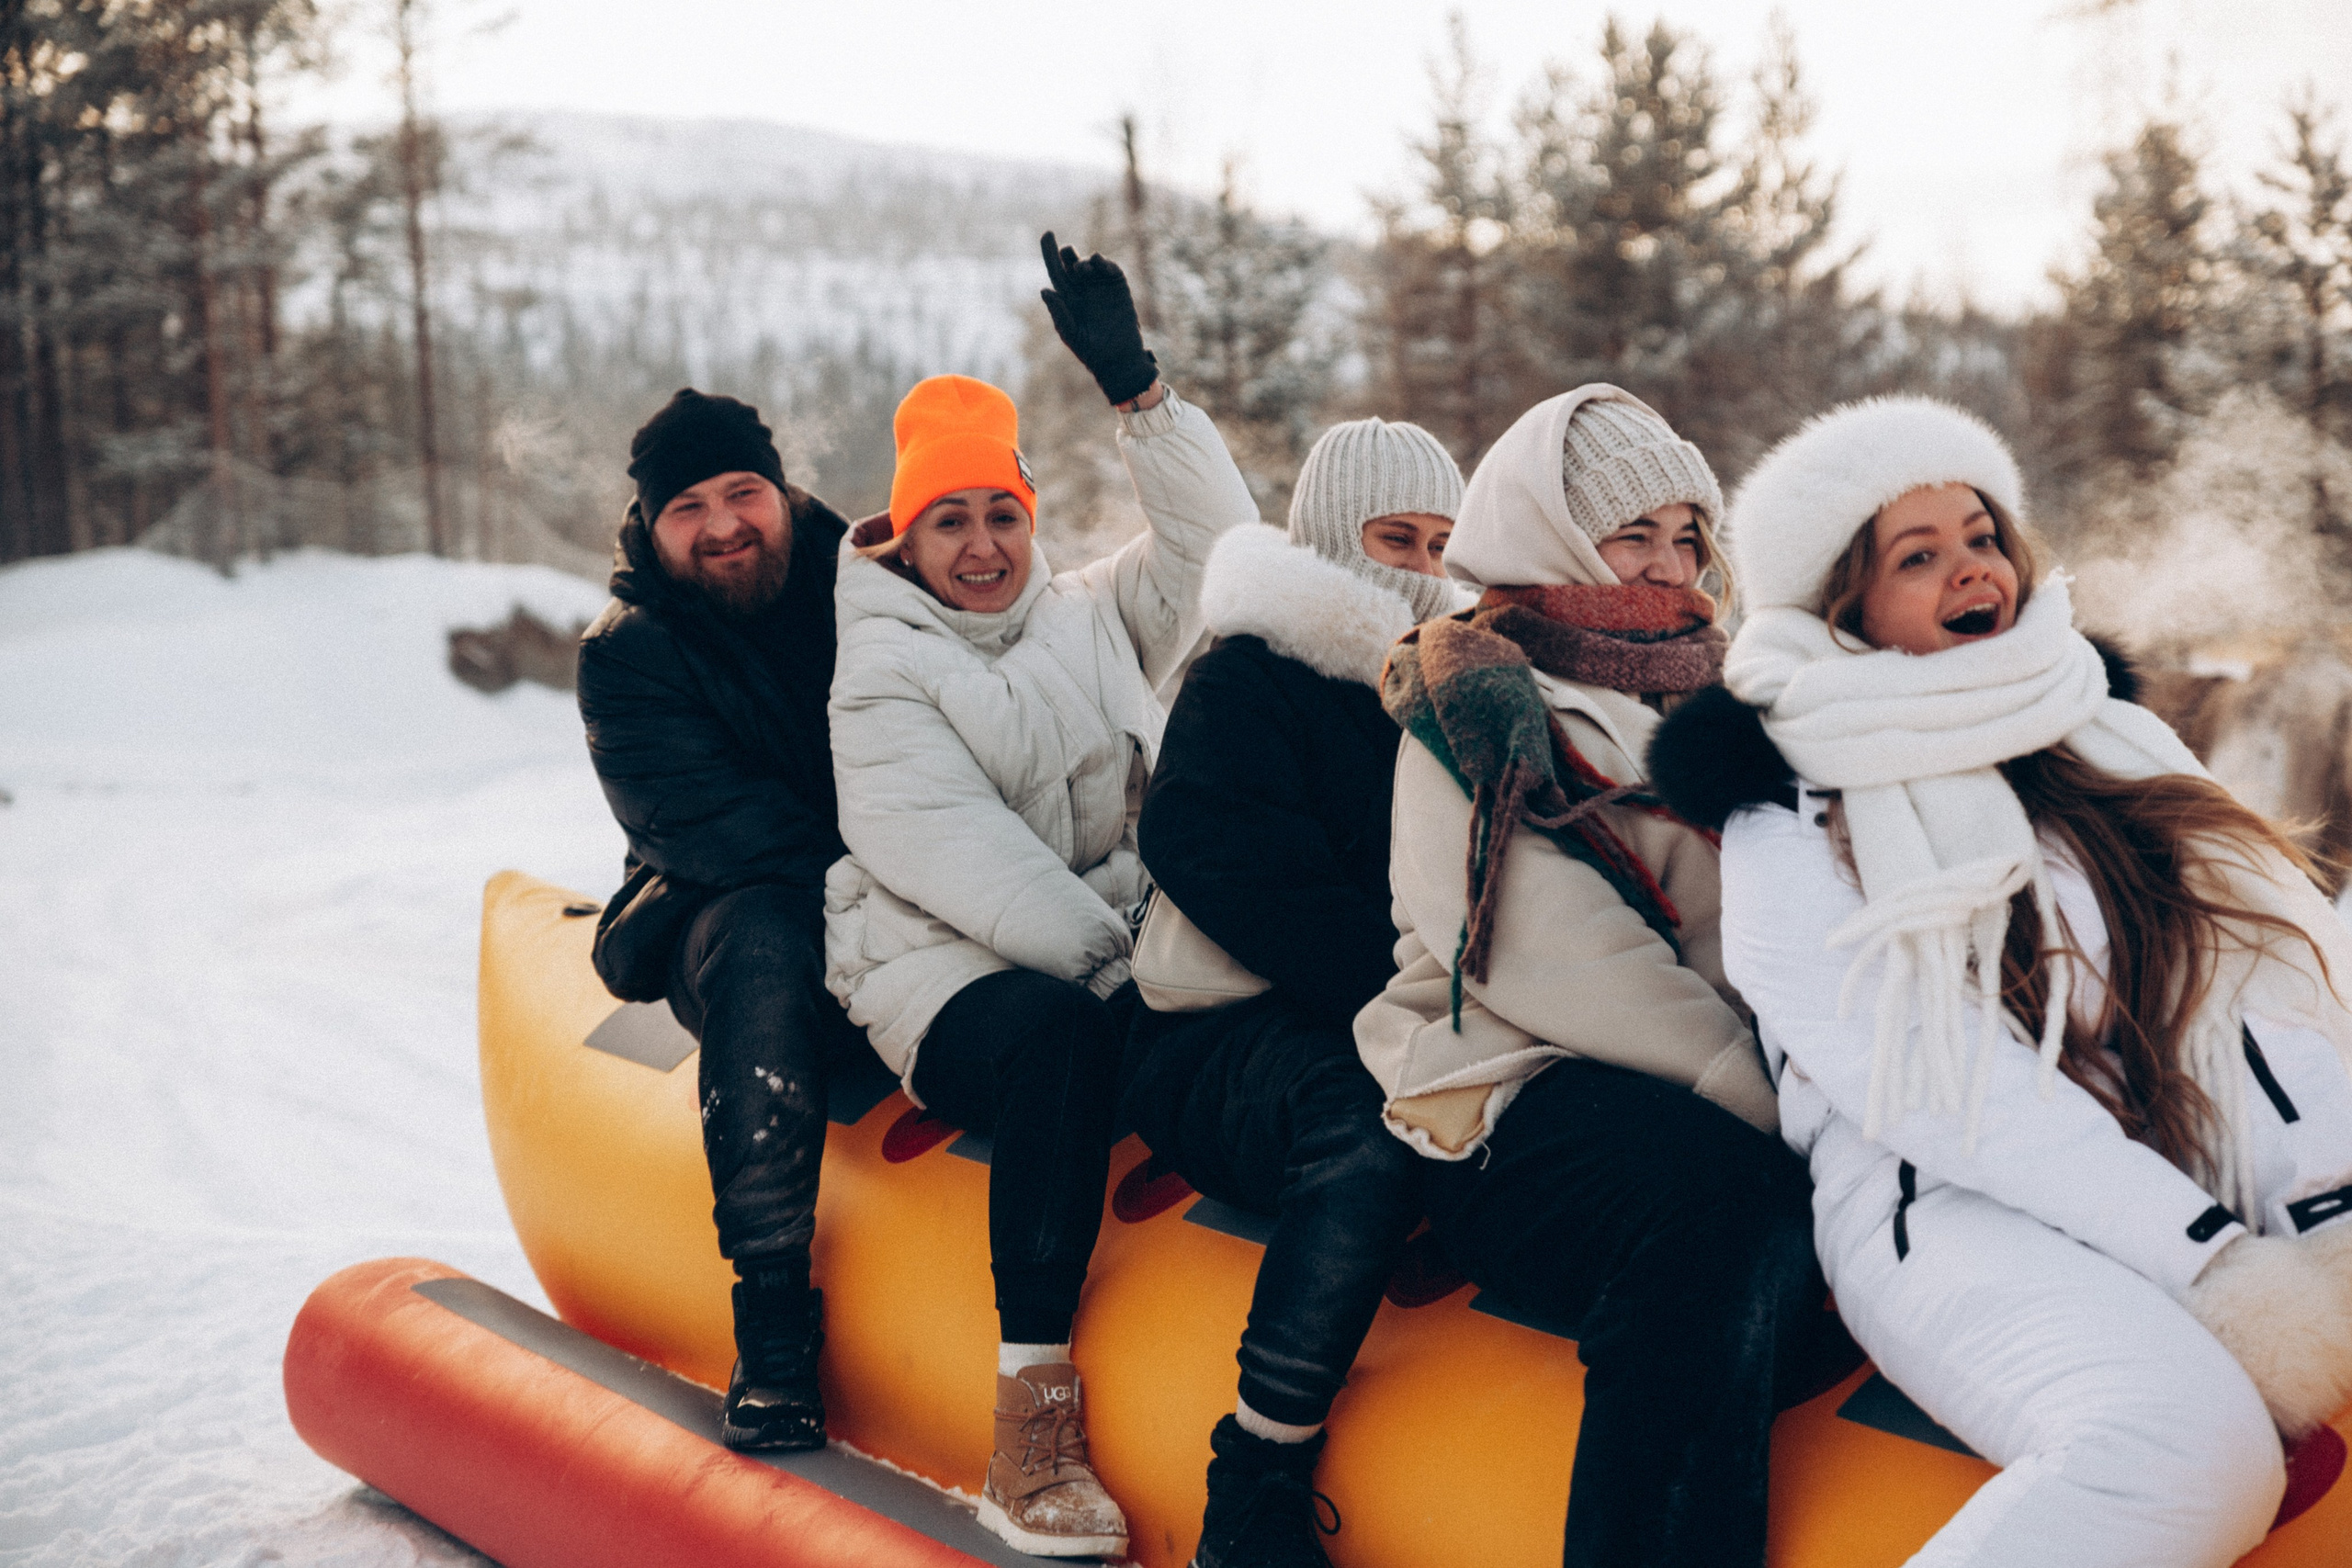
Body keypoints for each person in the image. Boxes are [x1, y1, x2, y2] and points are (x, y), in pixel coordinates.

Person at [1653, 394, 2352, 1568]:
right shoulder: (1788, 815)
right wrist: (2212, 1258)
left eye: (1981, 536)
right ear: (1846, 608)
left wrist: (2326, 1206)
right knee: (2184, 1448)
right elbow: (1946, 1094)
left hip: (2177, 1141)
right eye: (1916, 557)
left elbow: (2258, 989)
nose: (1970, 570)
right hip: (1949, 1205)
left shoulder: (2097, 731)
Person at [1353, 386, 1848, 1568]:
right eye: (1634, 534)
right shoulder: (1471, 696)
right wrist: (1778, 1107)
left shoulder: (1710, 686)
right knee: (1721, 1206)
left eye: (1688, 535)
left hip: (1731, 1065)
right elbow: (1557, 953)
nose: (1670, 564)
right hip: (1519, 1085)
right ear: (1547, 533)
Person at [822, 235, 1255, 1558]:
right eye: (947, 519)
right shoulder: (880, 668)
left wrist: (1142, 397)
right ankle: (1032, 1419)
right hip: (937, 966)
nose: (982, 542)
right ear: (903, 539)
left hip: (1114, 946)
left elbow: (1218, 547)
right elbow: (967, 861)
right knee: (1065, 1042)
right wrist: (1135, 970)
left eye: (1000, 512)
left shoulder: (1085, 613)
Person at [1125, 417, 1464, 1568]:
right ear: (1330, 536)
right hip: (1224, 1033)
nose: (1418, 568)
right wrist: (1411, 999)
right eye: (1392, 537)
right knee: (1366, 1132)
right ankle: (1257, 1470)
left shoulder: (1453, 693)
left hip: (1403, 1015)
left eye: (1439, 544)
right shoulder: (1249, 674)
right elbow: (1215, 851)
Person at [576, 389, 867, 1453]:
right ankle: (774, 1316)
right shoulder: (627, 654)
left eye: (743, 491)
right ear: (652, 527)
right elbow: (735, 835)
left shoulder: (874, 583)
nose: (723, 523)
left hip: (910, 889)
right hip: (733, 916)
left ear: (783, 491)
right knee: (765, 930)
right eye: (686, 506)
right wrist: (932, 886)